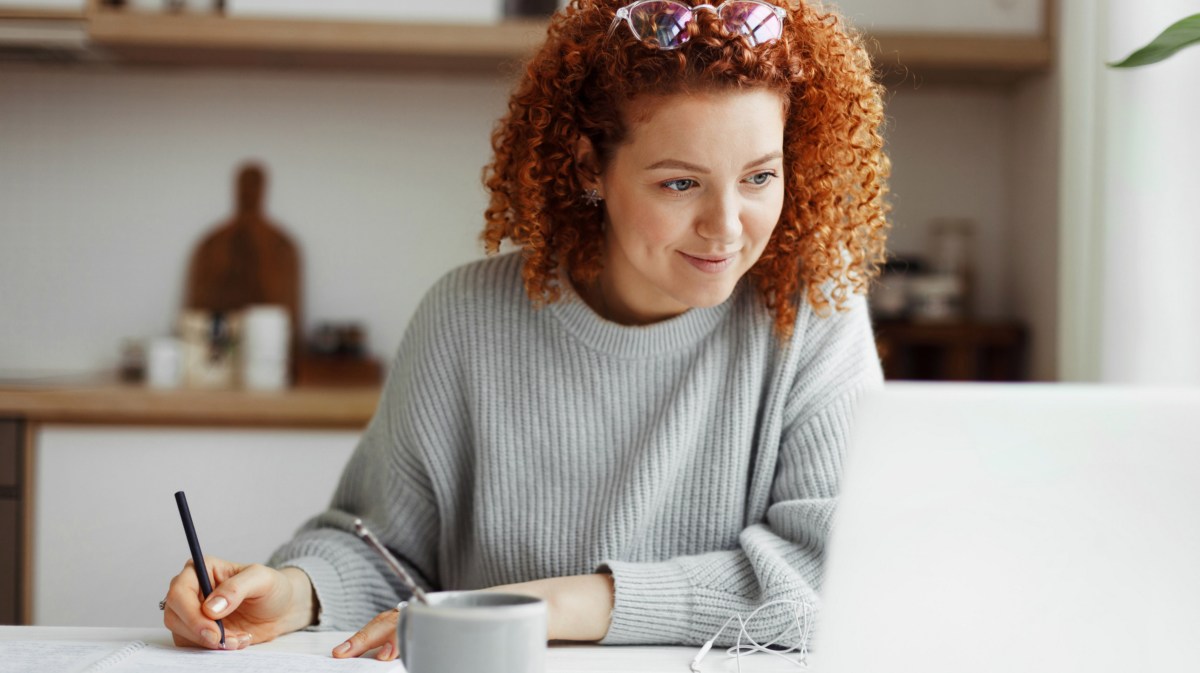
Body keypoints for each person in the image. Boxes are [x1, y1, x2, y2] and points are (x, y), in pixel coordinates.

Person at [160, 0, 890, 660]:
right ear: (589, 168)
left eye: (760, 177)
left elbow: (839, 569)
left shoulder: (813, 311)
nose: (727, 227)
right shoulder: (465, 319)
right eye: (679, 182)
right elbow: (383, 551)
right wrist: (298, 590)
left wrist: (558, 604)